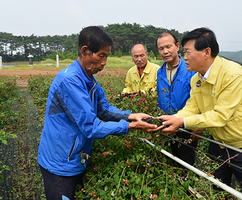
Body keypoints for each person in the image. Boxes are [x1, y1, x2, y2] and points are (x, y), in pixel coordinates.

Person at [37, 26, 157, 200]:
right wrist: (131, 126)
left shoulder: (90, 80)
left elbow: (104, 109)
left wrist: (131, 115)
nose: (104, 62)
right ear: (85, 51)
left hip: (75, 157)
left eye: (106, 57)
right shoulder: (69, 80)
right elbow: (91, 127)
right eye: (101, 56)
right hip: (60, 162)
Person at [159, 27, 242, 200]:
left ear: (206, 52)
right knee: (215, 187)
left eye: (187, 52)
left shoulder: (232, 74)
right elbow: (192, 107)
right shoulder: (196, 78)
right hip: (218, 142)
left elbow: (220, 116)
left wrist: (182, 122)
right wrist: (174, 118)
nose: (184, 57)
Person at [156, 31, 201, 168]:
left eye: (168, 47)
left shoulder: (190, 69)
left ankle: (188, 188)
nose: (165, 51)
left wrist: (197, 127)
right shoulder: (160, 72)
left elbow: (198, 98)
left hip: (186, 125)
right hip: (167, 124)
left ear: (176, 46)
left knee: (186, 162)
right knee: (170, 161)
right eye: (161, 48)